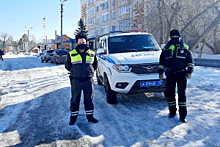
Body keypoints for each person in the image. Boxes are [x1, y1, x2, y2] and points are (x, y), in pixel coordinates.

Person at [158, 29, 194, 123]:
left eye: (176, 36)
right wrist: (160, 72)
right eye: (173, 36)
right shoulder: (166, 48)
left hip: (182, 74)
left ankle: (182, 115)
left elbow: (190, 61)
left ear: (179, 36)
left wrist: (189, 72)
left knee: (182, 95)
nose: (175, 38)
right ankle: (172, 112)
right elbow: (161, 61)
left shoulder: (184, 47)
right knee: (170, 94)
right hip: (170, 74)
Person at [65, 32, 98, 125]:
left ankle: (90, 117)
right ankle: (73, 118)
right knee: (75, 100)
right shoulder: (71, 53)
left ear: (86, 42)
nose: (81, 43)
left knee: (89, 100)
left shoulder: (92, 53)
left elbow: (95, 65)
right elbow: (67, 66)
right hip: (76, 81)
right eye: (79, 42)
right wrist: (76, 72)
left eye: (83, 42)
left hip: (88, 81)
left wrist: (89, 72)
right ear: (77, 43)